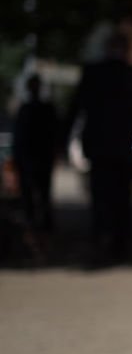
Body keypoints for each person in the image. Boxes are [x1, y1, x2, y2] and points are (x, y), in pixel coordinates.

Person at [68, 29, 132, 263]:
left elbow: (77, 108)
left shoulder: (92, 73)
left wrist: (62, 138)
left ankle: (101, 238)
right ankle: (120, 242)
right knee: (122, 196)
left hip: (99, 145)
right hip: (126, 147)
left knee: (99, 194)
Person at [12, 73, 58, 234]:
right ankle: (36, 223)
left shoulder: (34, 109)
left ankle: (38, 223)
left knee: (38, 193)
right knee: (37, 194)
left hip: (35, 158)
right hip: (34, 158)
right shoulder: (34, 109)